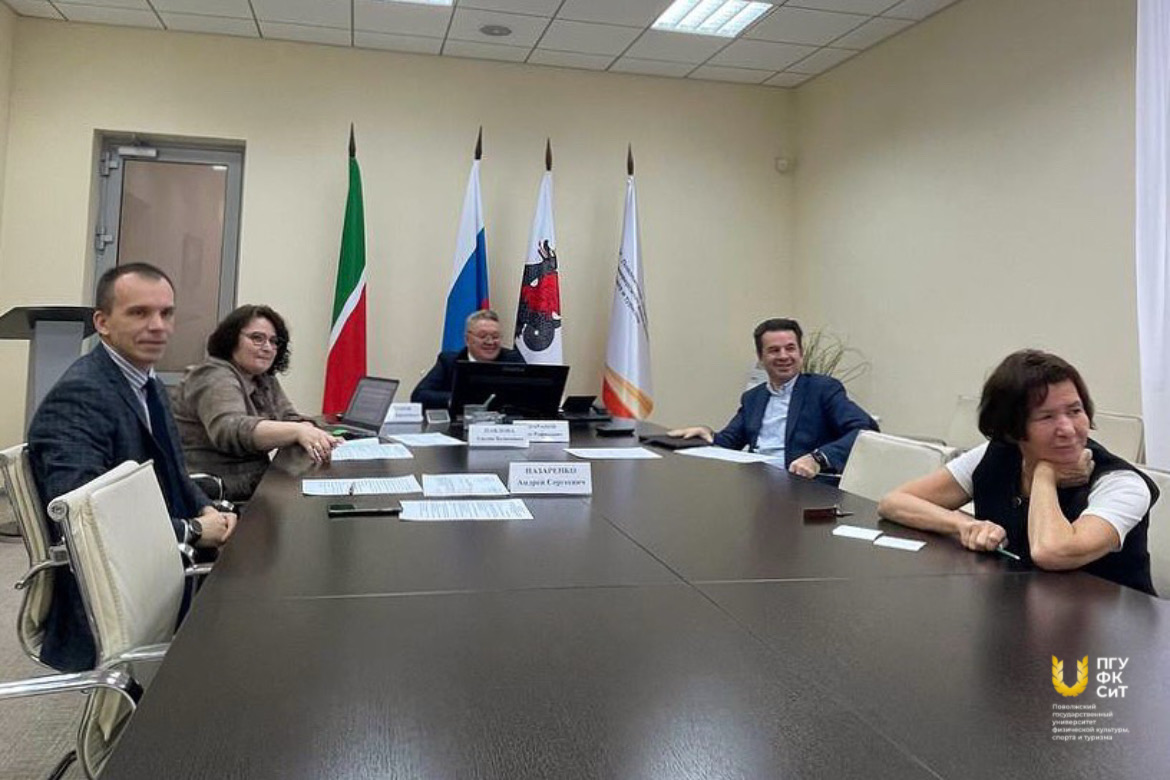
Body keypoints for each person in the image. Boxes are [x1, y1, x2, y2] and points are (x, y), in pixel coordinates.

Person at [27, 262, 238, 671]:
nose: (158, 326)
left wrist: (207, 508)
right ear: (102, 323)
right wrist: (193, 530)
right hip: (117, 588)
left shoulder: (146, 381)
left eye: (166, 313)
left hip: (160, 557)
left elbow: (174, 470)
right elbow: (86, 519)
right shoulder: (82, 394)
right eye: (139, 313)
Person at [878, 350, 1158, 594]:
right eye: (1047, 417)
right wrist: (964, 525)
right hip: (1016, 607)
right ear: (1013, 429)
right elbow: (894, 502)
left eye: (1075, 411)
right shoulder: (996, 455)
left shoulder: (1121, 483)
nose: (1068, 429)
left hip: (1111, 628)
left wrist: (1044, 475)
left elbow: (1051, 551)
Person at [173, 305, 342, 502]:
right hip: (215, 494)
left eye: (273, 341)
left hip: (254, 484)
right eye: (257, 338)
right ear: (231, 339)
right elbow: (231, 429)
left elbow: (288, 417)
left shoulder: (262, 378)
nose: (267, 347)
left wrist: (305, 427)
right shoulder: (213, 375)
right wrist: (298, 431)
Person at [669, 318, 878, 478]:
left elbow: (865, 431)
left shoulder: (822, 389)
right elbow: (729, 442)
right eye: (774, 350)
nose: (783, 356)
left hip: (800, 485)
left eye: (790, 348)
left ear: (801, 353)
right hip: (756, 483)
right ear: (761, 357)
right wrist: (706, 433)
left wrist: (817, 459)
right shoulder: (753, 397)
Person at [411, 308, 526, 409]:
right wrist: (457, 399)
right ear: (467, 339)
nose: (490, 342)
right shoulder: (449, 361)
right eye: (483, 336)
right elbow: (419, 395)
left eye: (495, 337)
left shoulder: (512, 360)